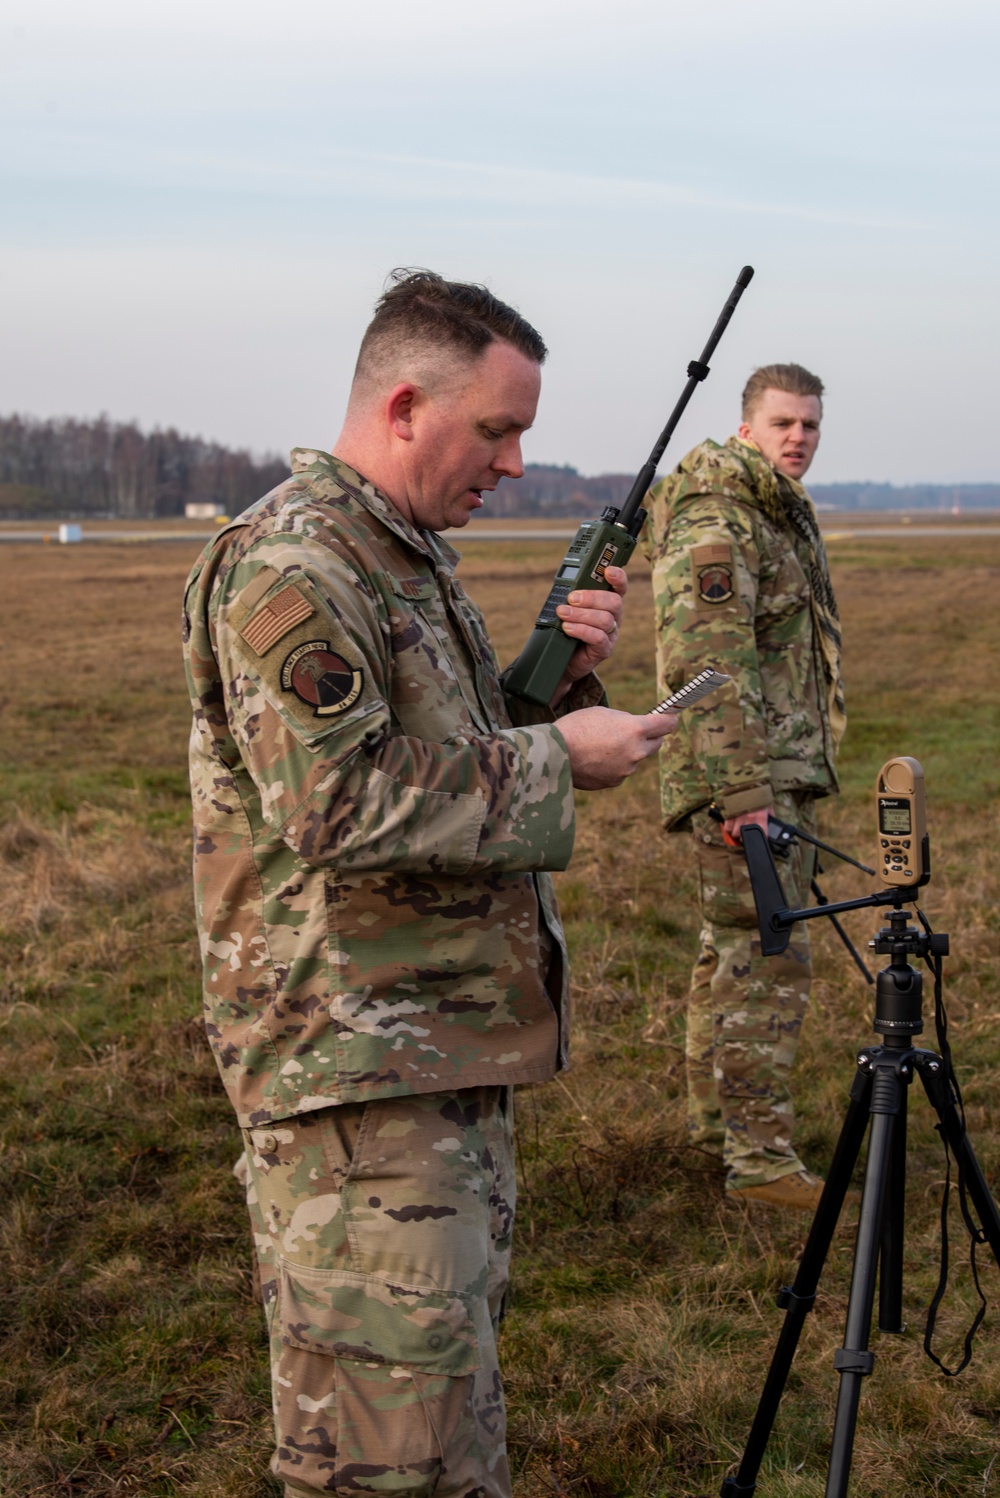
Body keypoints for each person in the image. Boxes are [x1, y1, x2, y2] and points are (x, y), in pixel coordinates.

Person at [182, 268, 676, 1498]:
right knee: (380, 1461)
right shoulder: (294, 565)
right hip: (353, 1083)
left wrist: (546, 689)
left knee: (439, 1432)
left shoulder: (403, 554)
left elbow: (445, 762)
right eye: (498, 430)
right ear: (407, 404)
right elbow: (335, 803)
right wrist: (559, 759)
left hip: (430, 1061)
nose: (511, 463)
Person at [643, 363, 845, 1213]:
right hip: (745, 782)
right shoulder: (719, 517)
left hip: (766, 774)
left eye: (810, 425)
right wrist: (743, 793)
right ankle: (759, 1163)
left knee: (725, 949)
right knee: (767, 957)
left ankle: (712, 1127)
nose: (797, 437)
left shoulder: (770, 509)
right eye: (782, 423)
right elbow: (708, 665)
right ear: (746, 427)